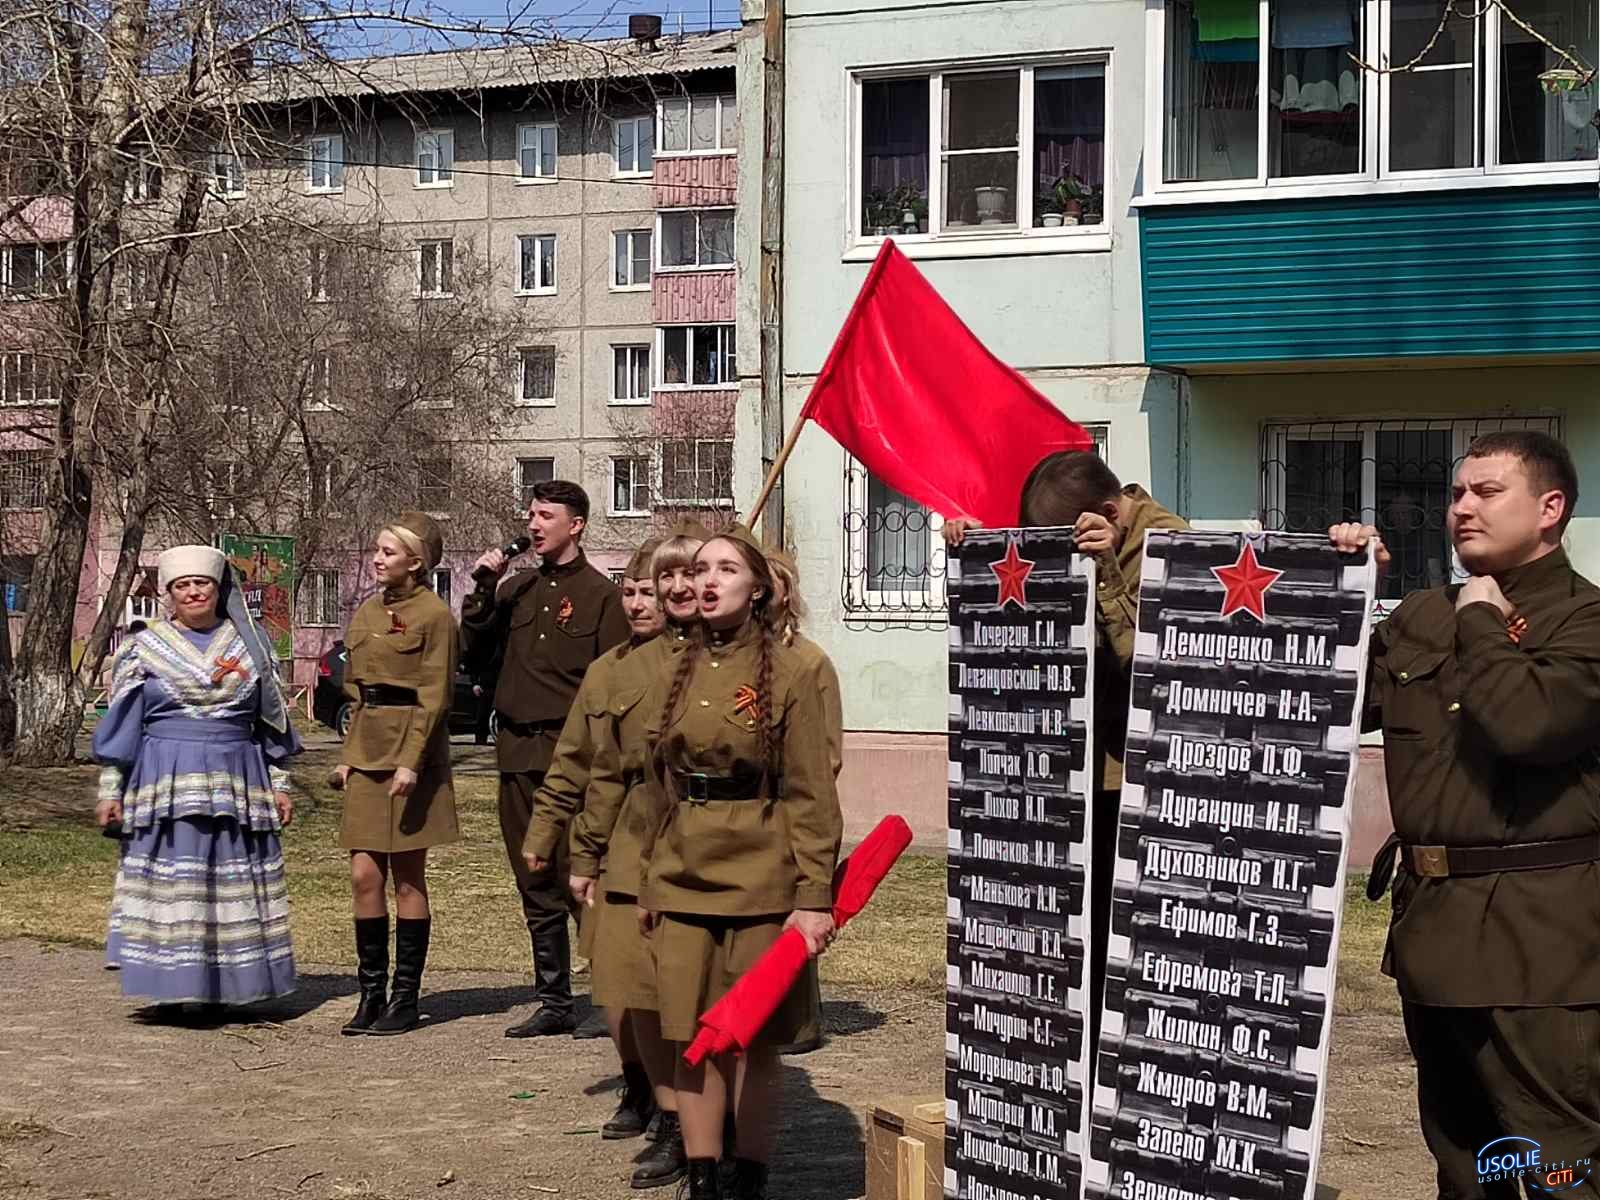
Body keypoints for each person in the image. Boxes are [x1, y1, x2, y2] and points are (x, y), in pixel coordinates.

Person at [1333, 431, 1600, 1200]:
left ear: (1550, 509)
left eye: (1487, 492)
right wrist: (1338, 590)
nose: (1462, 508)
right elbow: (1324, 703)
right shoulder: (1422, 614)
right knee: (1463, 1163)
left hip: (1542, 948)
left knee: (1561, 1165)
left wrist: (1483, 620)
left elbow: (1529, 725)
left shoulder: (1584, 620)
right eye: (1456, 493)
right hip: (1436, 935)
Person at [947, 451, 1188, 1057]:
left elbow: (1154, 663)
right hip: (1063, 770)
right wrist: (979, 549)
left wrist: (1106, 569)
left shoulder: (1175, 545)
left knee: (1123, 941)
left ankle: (1121, 1059)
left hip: (1134, 778)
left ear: (1109, 512)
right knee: (1063, 937)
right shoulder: (1083, 525)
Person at [636, 525, 844, 1200]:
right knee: (690, 1036)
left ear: (758, 587)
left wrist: (813, 897)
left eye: (727, 568)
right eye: (700, 568)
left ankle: (748, 1176)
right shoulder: (670, 665)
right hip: (682, 867)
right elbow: (655, 787)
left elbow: (813, 790)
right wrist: (647, 880)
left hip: (762, 872)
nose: (708, 578)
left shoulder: (794, 670)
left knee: (753, 1038)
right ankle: (702, 1178)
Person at [92, 545, 300, 1010]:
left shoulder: (252, 644)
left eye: (201, 583)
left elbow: (271, 722)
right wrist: (111, 788)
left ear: (217, 588)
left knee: (228, 881)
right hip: (166, 781)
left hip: (237, 779)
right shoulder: (143, 647)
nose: (192, 592)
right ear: (168, 594)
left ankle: (227, 988)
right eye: (182, 586)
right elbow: (125, 724)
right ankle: (175, 987)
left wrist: (280, 785)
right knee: (175, 884)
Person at [462, 479, 630, 1038]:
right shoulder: (514, 589)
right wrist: (482, 592)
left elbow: (613, 686)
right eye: (531, 514)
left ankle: (612, 996)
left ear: (576, 524)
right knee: (531, 875)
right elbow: (476, 656)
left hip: (571, 754)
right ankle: (554, 1001)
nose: (534, 524)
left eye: (546, 515)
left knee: (579, 873)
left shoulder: (602, 597)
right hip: (516, 752)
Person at [333, 511, 459, 1036]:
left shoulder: (435, 616)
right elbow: (357, 692)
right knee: (365, 874)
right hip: (367, 754)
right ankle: (370, 994)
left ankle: (405, 998)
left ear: (417, 560)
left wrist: (412, 761)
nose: (377, 559)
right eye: (377, 550)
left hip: (414, 757)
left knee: (408, 876)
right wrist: (348, 753)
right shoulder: (366, 612)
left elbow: (434, 698)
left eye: (388, 552)